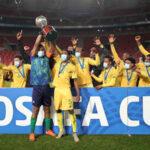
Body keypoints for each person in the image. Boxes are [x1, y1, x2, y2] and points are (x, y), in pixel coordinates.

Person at [50, 41, 80, 142]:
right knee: (58, 110)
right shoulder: (58, 61)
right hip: (57, 89)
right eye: (62, 53)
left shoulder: (72, 66)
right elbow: (53, 50)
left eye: (65, 53)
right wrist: (51, 39)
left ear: (68, 56)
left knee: (71, 110)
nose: (62, 55)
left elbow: (75, 81)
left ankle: (75, 133)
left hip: (66, 90)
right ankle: (61, 130)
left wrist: (78, 93)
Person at [29, 34, 56, 141]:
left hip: (46, 87)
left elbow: (52, 47)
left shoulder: (47, 58)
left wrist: (51, 38)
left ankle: (48, 130)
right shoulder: (33, 58)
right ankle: (32, 132)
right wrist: (40, 34)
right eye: (39, 49)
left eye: (42, 49)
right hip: (37, 88)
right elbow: (35, 45)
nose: (40, 50)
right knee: (35, 110)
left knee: (47, 109)